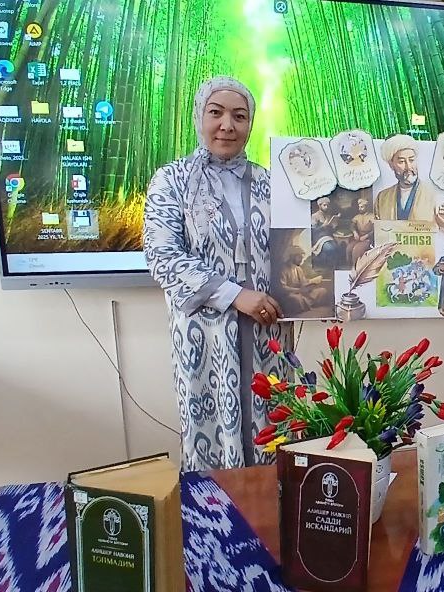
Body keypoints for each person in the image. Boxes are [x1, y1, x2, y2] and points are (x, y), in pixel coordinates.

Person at [144, 76, 291, 471]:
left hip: (268, 330)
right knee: (210, 434)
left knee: (272, 429)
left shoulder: (271, 183)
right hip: (204, 334)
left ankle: (269, 505)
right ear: (200, 116)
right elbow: (162, 255)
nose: (227, 125)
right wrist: (236, 295)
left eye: (239, 116)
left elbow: (299, 249)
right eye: (217, 113)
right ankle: (213, 505)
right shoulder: (173, 181)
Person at [375, 134, 436, 221]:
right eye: (401, 161)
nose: (409, 167)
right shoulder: (382, 198)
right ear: (391, 165)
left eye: (411, 160)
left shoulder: (432, 194)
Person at [276, 245, 331, 316]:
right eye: (299, 257)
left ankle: (306, 303)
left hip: (302, 293)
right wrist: (298, 290)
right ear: (292, 256)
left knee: (322, 291)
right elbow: (282, 288)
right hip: (290, 294)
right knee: (296, 299)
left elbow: (303, 282)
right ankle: (305, 304)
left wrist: (311, 283)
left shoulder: (298, 269)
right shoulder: (283, 269)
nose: (301, 259)